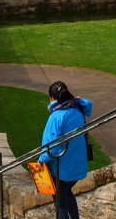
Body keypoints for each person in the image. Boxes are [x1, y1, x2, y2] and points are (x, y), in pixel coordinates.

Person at [38, 81, 92, 219]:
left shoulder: (56, 117)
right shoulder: (78, 109)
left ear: (51, 98)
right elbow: (87, 106)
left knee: (60, 204)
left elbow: (51, 146)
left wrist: (41, 160)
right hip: (77, 165)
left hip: (61, 169)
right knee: (67, 193)